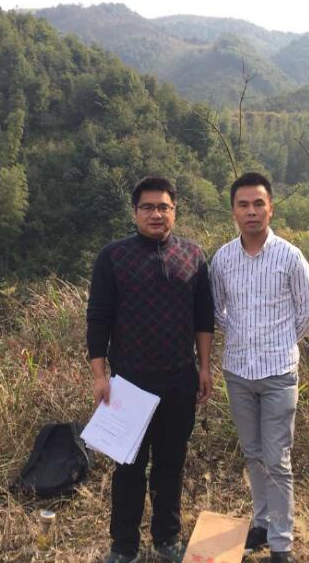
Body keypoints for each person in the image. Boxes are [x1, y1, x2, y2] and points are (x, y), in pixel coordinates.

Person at [86, 176, 214, 563]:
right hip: (129, 383)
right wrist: (99, 375)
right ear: (135, 212)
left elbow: (203, 318)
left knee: (171, 464)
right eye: (148, 207)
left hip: (180, 379)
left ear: (174, 211)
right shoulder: (113, 257)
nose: (156, 214)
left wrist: (204, 367)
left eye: (163, 207)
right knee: (128, 467)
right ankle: (123, 546)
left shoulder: (193, 255)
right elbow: (98, 318)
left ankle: (166, 539)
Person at [210, 172, 309, 563]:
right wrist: (242, 335)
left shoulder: (290, 256)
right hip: (238, 373)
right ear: (234, 211)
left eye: (259, 203)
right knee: (253, 454)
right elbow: (216, 310)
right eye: (243, 204)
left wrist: (279, 342)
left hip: (278, 375)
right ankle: (260, 523)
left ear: (270, 208)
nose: (252, 211)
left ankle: (281, 543)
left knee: (277, 459)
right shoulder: (222, 259)